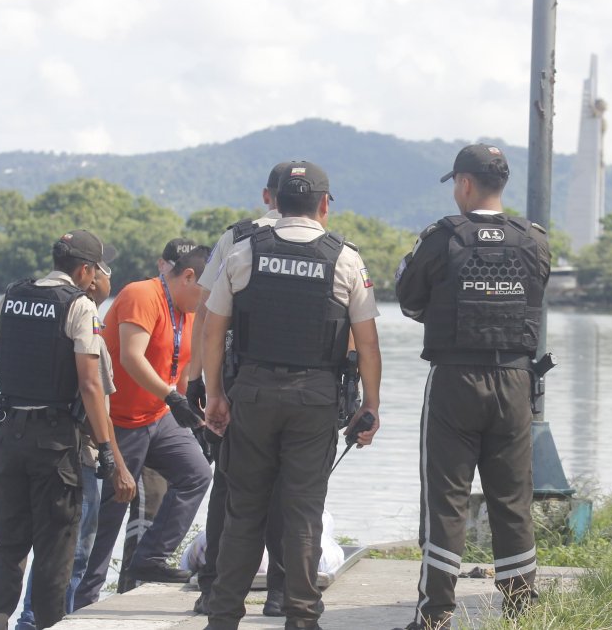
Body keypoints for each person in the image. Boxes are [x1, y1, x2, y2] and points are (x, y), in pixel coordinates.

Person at [201, 161, 382, 630]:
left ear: (275, 200)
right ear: (324, 204)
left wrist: (216, 394)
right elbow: (367, 343)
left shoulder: (243, 252)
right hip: (314, 399)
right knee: (303, 513)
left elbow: (213, 327)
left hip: (254, 393)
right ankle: (301, 617)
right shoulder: (344, 258)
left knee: (243, 510)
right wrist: (370, 407)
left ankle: (222, 617)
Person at [394, 143, 551, 630]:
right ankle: (521, 609)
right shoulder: (535, 240)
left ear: (463, 184)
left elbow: (408, 300)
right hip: (516, 381)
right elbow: (535, 300)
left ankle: (436, 614)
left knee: (446, 499)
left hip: (455, 380)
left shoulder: (441, 238)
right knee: (513, 500)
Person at [0, 229, 135, 630]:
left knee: (8, 544)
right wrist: (107, 449)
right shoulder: (80, 307)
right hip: (55, 449)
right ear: (86, 270)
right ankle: (48, 624)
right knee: (56, 552)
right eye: (95, 273)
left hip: (7, 440)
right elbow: (90, 385)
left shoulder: (12, 297)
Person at [75, 245, 214, 608]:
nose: (207, 300)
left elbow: (181, 371)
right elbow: (130, 357)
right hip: (116, 422)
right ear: (188, 277)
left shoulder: (189, 311)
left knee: (197, 474)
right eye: (205, 290)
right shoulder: (142, 294)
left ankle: (151, 557)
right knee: (107, 520)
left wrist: (199, 422)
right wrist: (173, 399)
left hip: (157, 417)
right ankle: (84, 605)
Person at [188, 161, 290, 617]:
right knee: (291, 490)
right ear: (319, 202)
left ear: (269, 195)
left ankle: (214, 589)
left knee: (230, 487)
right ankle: (282, 593)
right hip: (306, 390)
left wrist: (199, 380)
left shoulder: (237, 237)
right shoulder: (330, 247)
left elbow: (207, 316)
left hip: (236, 380)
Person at [16, 264, 124, 630]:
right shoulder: (85, 324)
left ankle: (42, 619)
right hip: (80, 456)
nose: (109, 280)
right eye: (105, 272)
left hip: (53, 450)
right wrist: (115, 461)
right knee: (69, 552)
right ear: (90, 277)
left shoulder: (64, 323)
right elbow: (96, 402)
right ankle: (43, 622)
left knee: (56, 550)